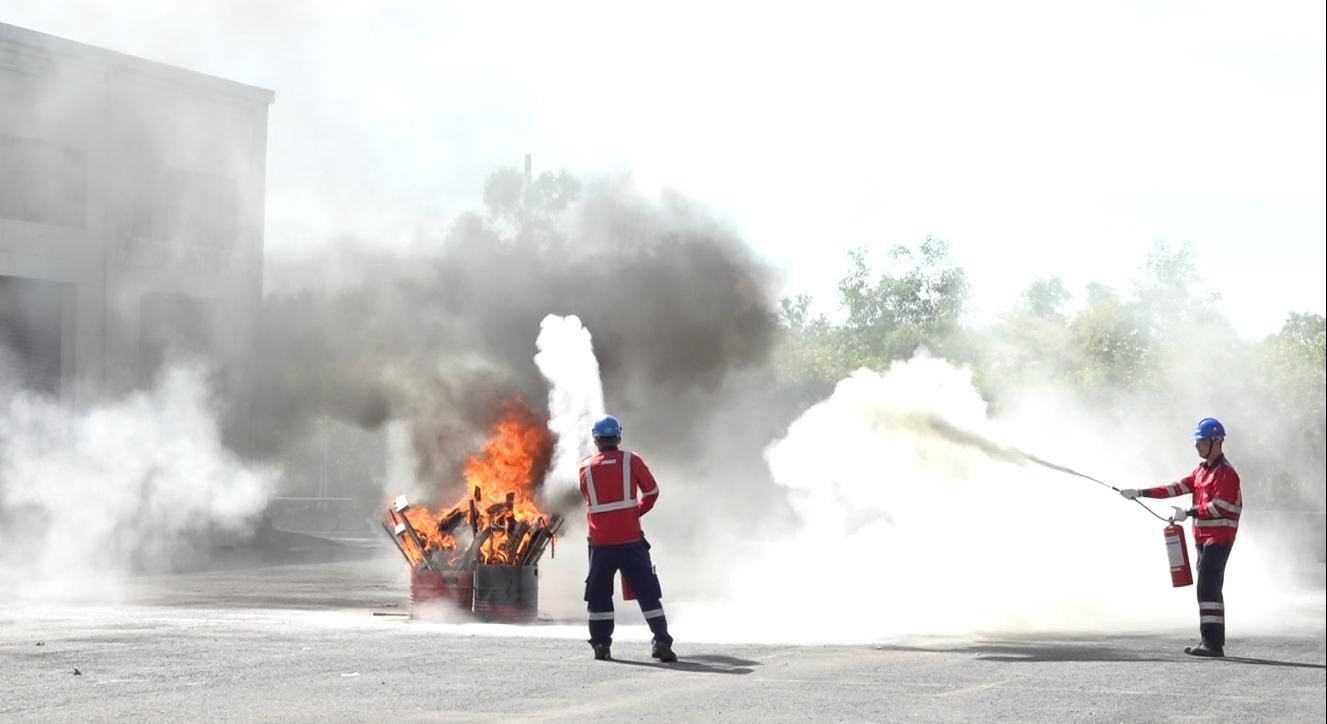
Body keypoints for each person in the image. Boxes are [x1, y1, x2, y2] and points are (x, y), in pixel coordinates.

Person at [1120, 417, 1242, 657]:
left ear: (1216, 442)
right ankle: (1211, 641)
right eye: (1196, 441)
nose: (1197, 445)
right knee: (1208, 589)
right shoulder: (1201, 472)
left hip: (1219, 539)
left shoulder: (1226, 474)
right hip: (1203, 539)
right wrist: (1141, 493)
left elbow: (1219, 507)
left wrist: (1188, 512)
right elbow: (1174, 488)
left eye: (1201, 441)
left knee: (1208, 587)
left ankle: (1213, 644)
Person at [578, 414, 677, 662]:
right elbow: (652, 492)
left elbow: (587, 498)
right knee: (647, 592)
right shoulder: (632, 461)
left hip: (600, 544)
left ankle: (601, 644)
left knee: (599, 595)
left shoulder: (585, 467)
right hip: (630, 541)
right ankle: (661, 642)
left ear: (596, 439)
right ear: (618, 437)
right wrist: (635, 513)